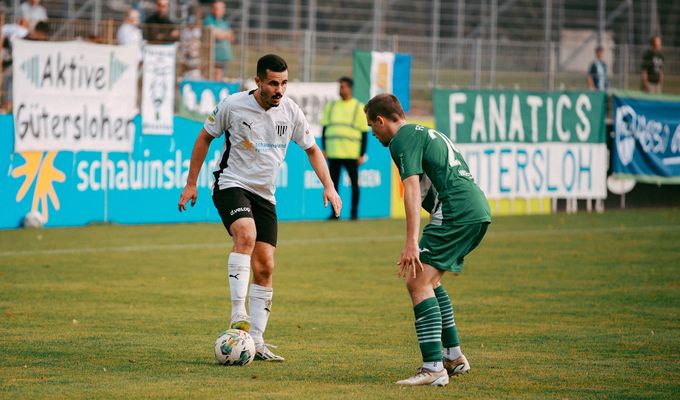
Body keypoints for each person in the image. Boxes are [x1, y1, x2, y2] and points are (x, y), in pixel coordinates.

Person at [178, 54, 342, 361]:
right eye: (273, 83)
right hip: (231, 183)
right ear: (258, 82)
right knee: (246, 235)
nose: (279, 89)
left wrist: (329, 185)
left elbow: (313, 150)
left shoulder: (291, 112)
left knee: (265, 266)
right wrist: (190, 184)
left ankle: (256, 340)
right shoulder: (232, 105)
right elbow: (203, 139)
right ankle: (238, 313)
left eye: (284, 83)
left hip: (266, 195)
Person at [364, 94, 491, 386]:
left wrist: (411, 242)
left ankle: (433, 367)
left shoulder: (402, 139)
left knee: (417, 281)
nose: (373, 132)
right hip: (475, 209)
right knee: (430, 282)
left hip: (455, 210)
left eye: (373, 126)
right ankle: (453, 357)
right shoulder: (425, 132)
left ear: (383, 121)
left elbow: (410, 189)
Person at [321, 77, 369, 221]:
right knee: (333, 185)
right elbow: (325, 128)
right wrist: (324, 149)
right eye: (339, 86)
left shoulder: (358, 107)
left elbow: (364, 132)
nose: (340, 89)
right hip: (333, 152)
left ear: (350, 88)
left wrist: (361, 153)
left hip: (351, 153)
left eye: (343, 87)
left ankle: (354, 213)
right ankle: (335, 214)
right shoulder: (332, 106)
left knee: (354, 184)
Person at [203, 1, 234, 81]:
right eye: (217, 8)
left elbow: (231, 37)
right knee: (214, 80)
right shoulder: (208, 20)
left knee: (222, 80)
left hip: (224, 57)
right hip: (214, 57)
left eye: (222, 8)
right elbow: (217, 35)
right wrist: (226, 34)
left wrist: (224, 34)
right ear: (212, 9)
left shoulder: (223, 22)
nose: (220, 11)